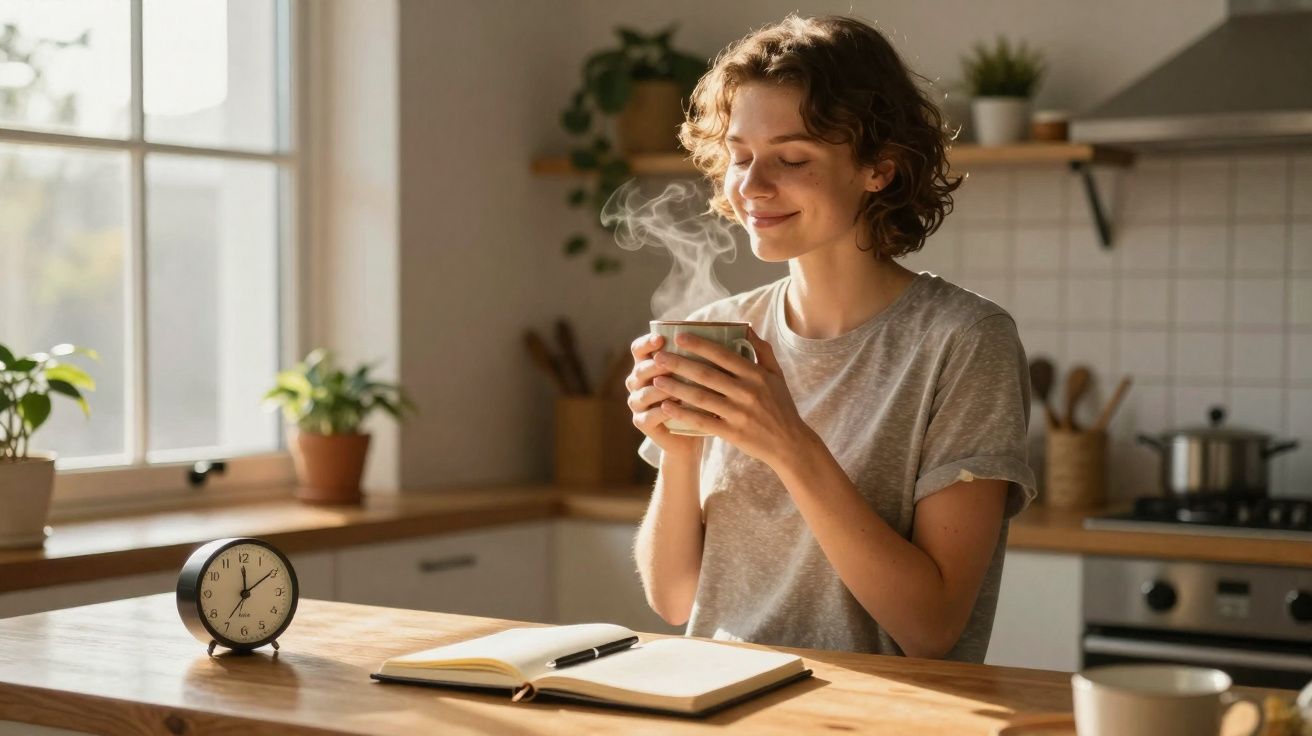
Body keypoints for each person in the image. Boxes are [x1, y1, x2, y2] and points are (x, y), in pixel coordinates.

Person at [625, 14, 1036, 663]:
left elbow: (932, 627)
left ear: (879, 168)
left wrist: (791, 446)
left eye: (791, 158)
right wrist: (675, 449)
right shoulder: (730, 330)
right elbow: (676, 599)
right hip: (721, 699)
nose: (752, 186)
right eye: (739, 156)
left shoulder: (963, 342)